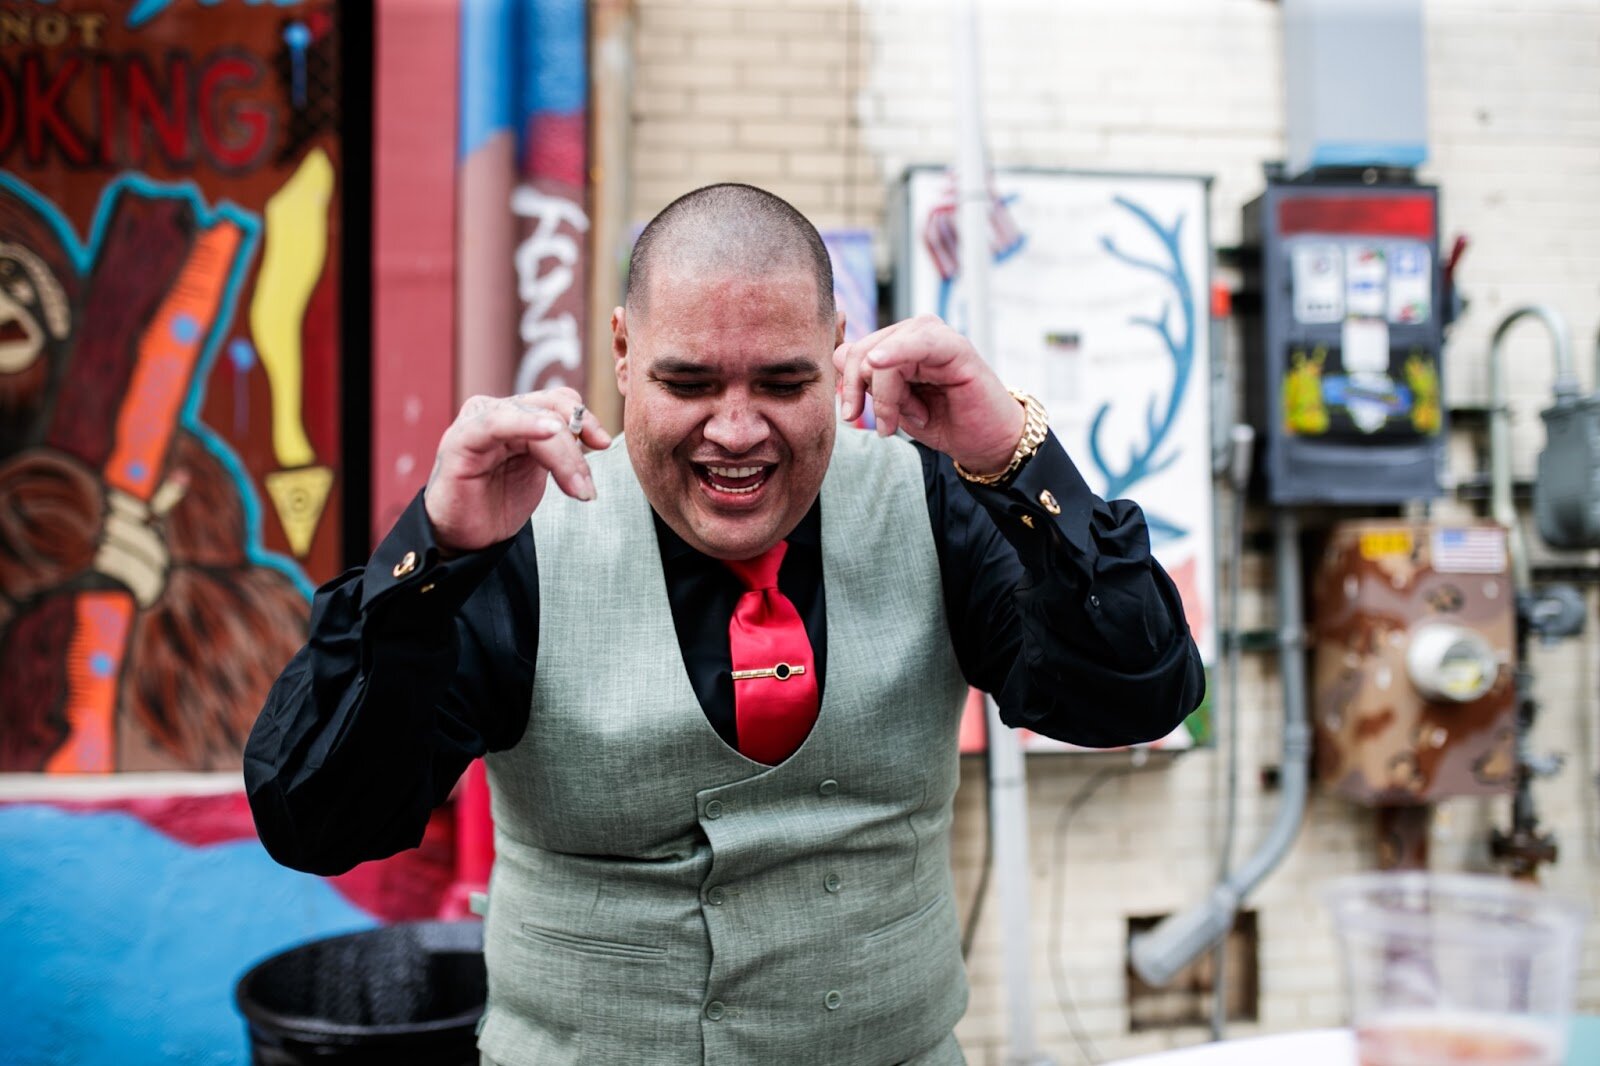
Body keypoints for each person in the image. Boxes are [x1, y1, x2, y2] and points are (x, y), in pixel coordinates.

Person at [246, 183, 1204, 1066]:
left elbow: (1138, 695)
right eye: (691, 384)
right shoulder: (524, 536)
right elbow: (318, 818)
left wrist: (1013, 454)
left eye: (784, 383)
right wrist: (433, 560)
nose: (736, 430)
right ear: (622, 352)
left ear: (839, 351)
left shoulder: (935, 501)